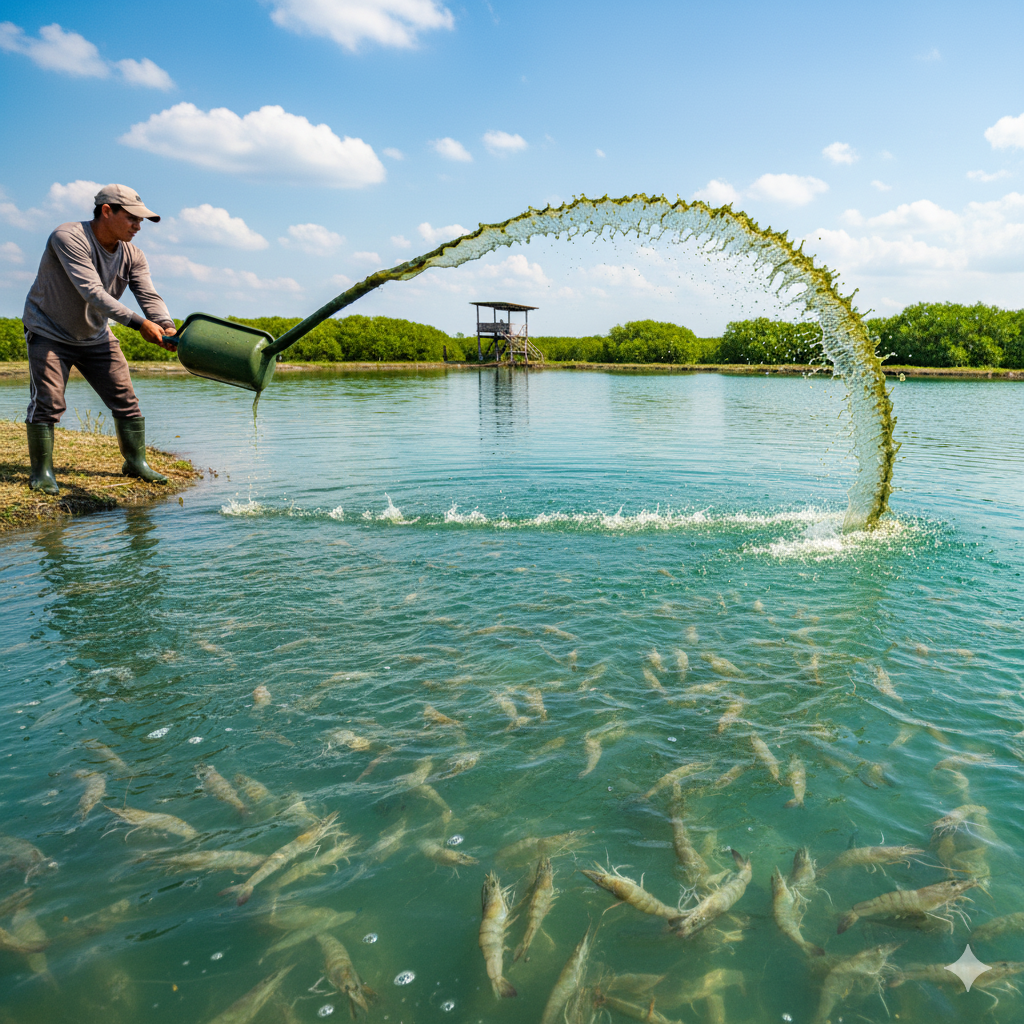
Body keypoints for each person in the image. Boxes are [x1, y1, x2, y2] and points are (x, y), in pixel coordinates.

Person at [22, 183, 177, 495]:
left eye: (142, 221)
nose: (138, 226)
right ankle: (42, 473)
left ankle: (135, 463)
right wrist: (138, 323)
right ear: (107, 211)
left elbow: (147, 293)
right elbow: (91, 291)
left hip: (95, 334)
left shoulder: (133, 255)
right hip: (49, 330)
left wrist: (165, 324)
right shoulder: (68, 237)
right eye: (133, 218)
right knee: (48, 402)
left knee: (126, 399)